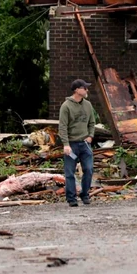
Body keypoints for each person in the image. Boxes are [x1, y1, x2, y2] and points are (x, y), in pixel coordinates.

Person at [58, 79, 96, 207]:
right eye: (84, 88)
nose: (86, 90)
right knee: (69, 173)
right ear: (77, 90)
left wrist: (90, 136)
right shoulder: (66, 106)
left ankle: (85, 194)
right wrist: (66, 144)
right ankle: (71, 198)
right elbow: (62, 126)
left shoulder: (88, 105)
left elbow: (92, 123)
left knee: (89, 169)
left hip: (85, 143)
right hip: (72, 144)